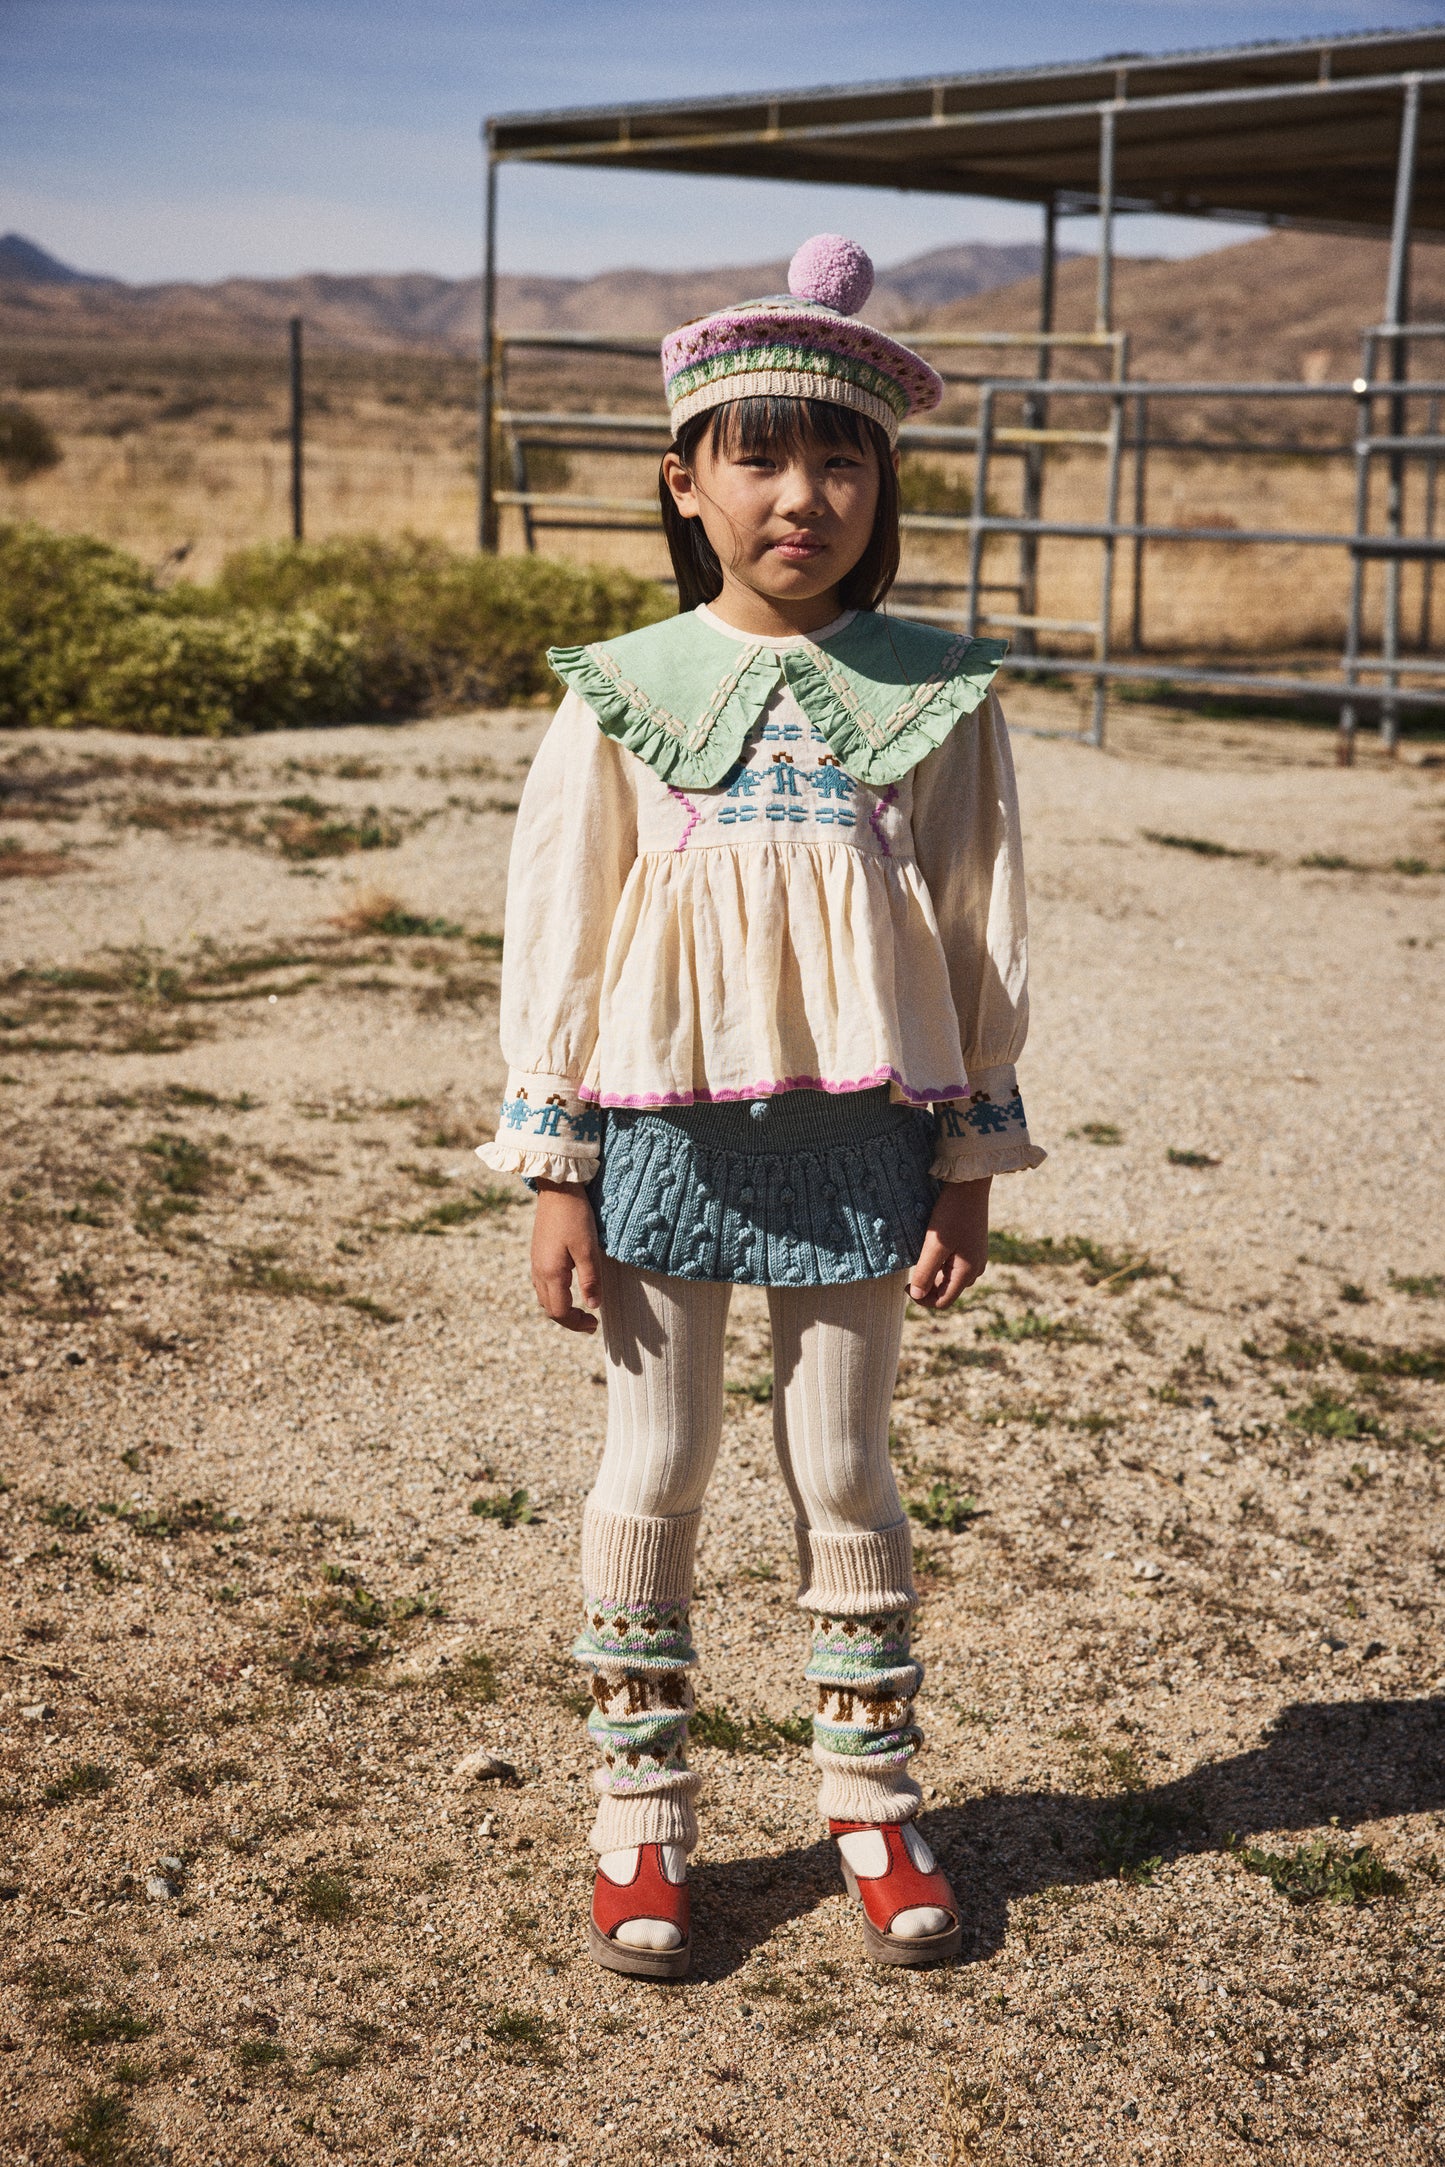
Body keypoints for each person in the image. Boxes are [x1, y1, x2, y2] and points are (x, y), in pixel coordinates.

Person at [480, 235, 1044, 1980]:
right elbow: (559, 927)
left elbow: (976, 923)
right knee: (652, 1457)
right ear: (684, 477)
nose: (802, 495)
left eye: (841, 457)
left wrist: (967, 1156)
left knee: (846, 1463)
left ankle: (868, 1797)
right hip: (659, 1125)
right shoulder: (624, 693)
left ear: (884, 480)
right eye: (758, 454)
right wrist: (557, 1162)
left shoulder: (934, 695)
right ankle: (638, 1811)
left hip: (862, 1130)